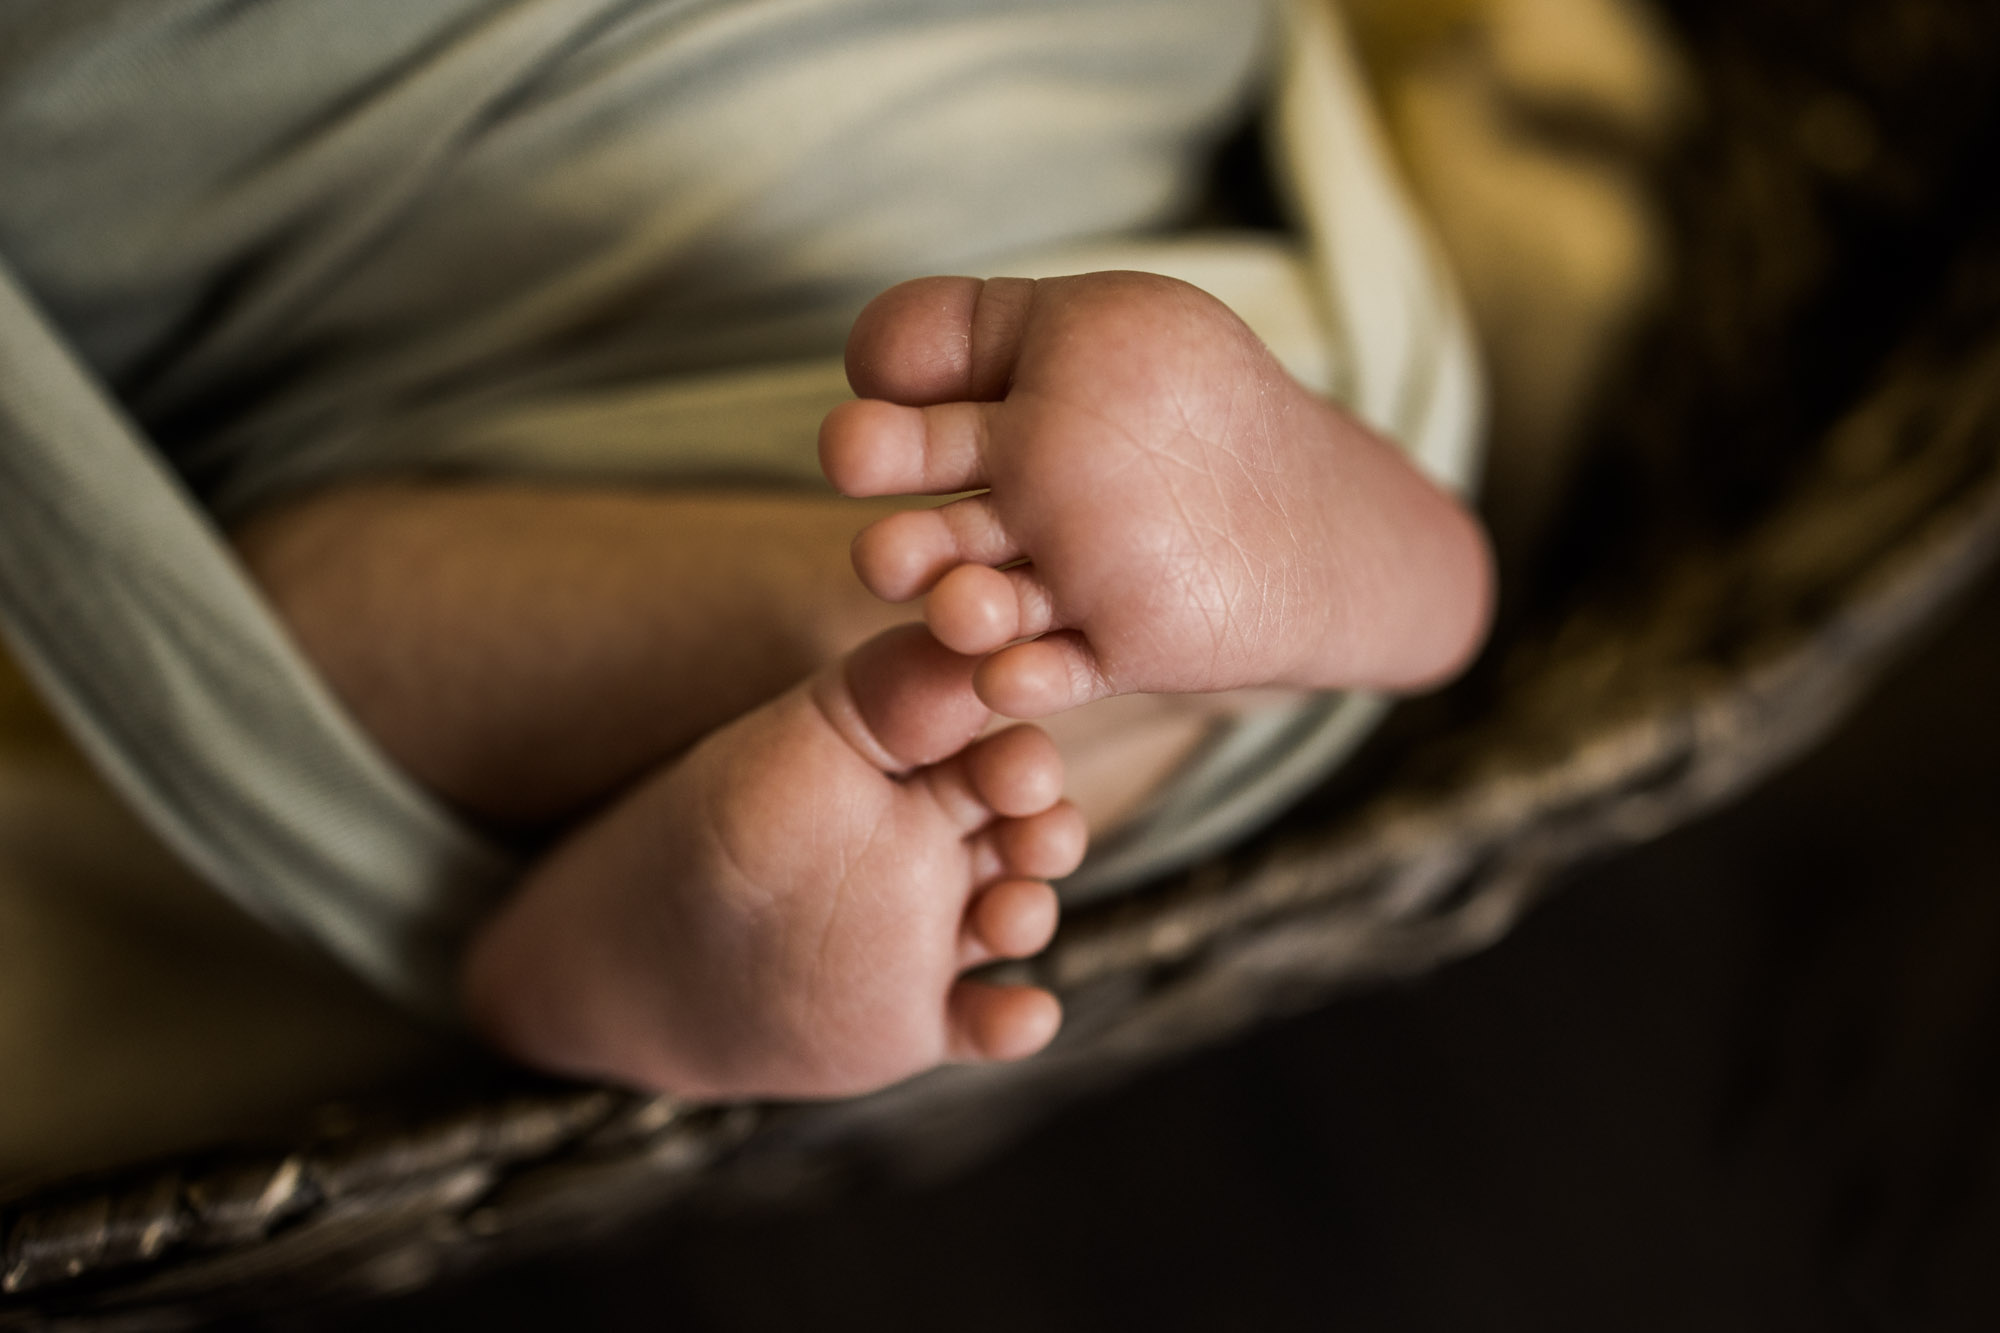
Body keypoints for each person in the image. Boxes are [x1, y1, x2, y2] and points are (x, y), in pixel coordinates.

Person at [0, 0, 1679, 1134]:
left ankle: (819, 737)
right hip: (1024, 182)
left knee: (312, 613)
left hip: (382, 314)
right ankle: (1308, 598)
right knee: (304, 612)